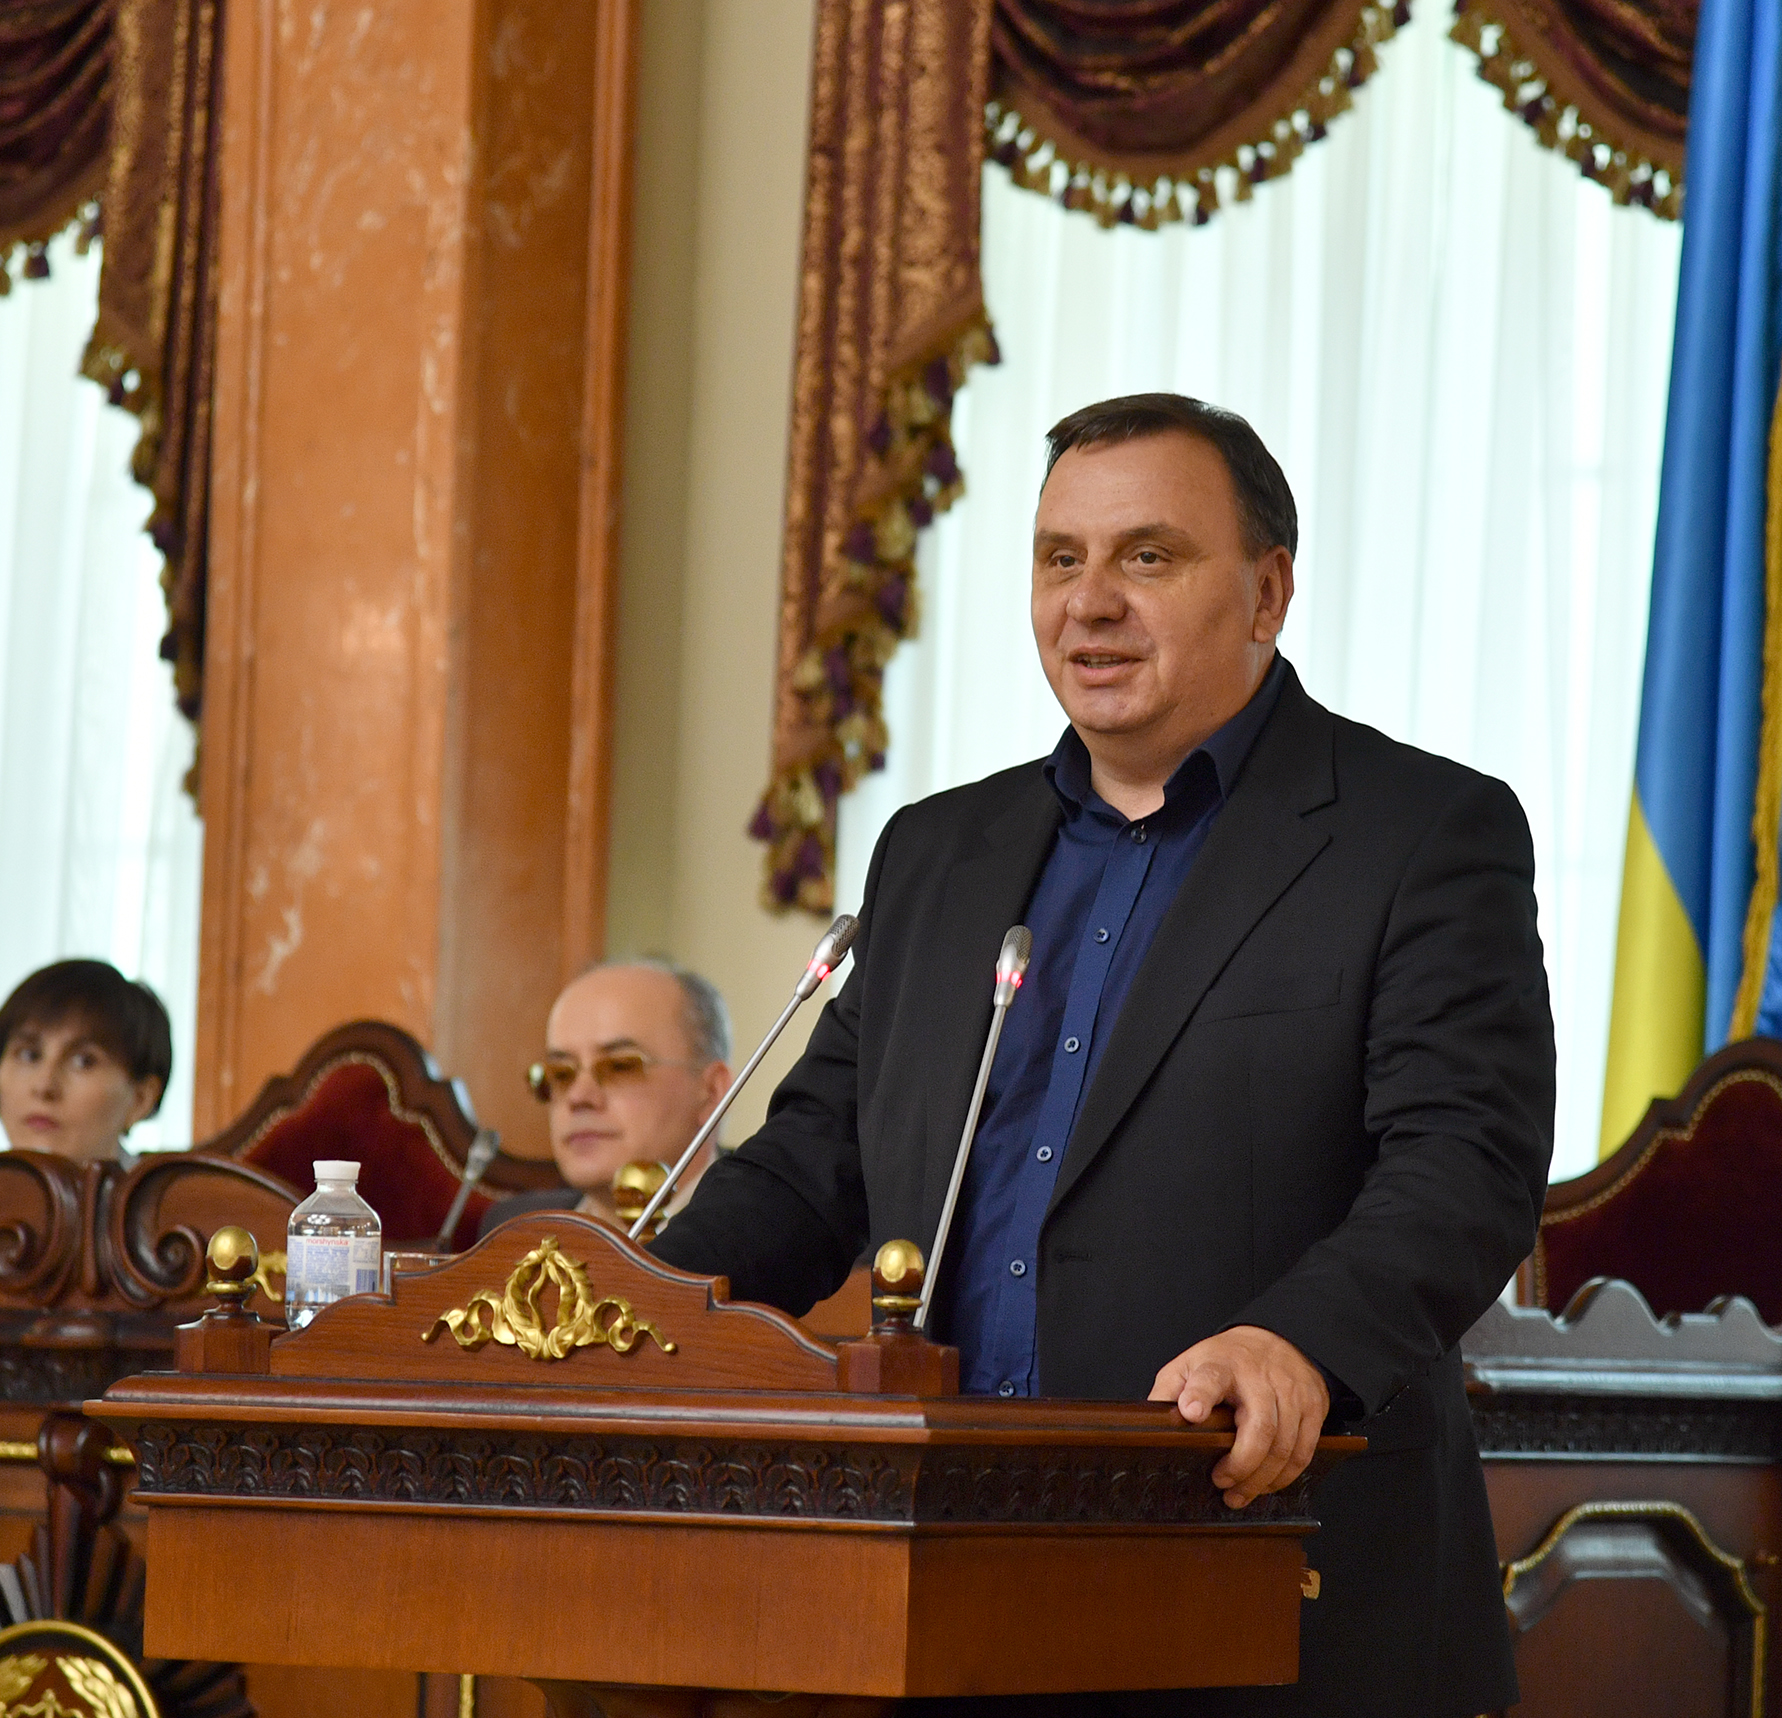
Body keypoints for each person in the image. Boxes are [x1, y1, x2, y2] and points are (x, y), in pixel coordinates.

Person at [652, 394, 1555, 1717]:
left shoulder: (1418, 833)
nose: (1089, 602)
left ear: (1266, 591)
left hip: (1268, 1566)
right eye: (1059, 558)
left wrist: (1297, 1342)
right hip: (953, 1582)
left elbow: (1463, 1162)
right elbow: (809, 1168)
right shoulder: (936, 853)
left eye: (1147, 556)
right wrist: (626, 1314)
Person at [484, 960, 735, 1235]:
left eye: (620, 1066)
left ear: (712, 1092)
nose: (578, 1097)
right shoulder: (513, 1231)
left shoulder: (761, 1234)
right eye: (560, 1073)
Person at [0, 959, 173, 1164]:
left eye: (83, 1062)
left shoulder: (175, 1186)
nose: (44, 1086)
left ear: (140, 1099)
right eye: (29, 1055)